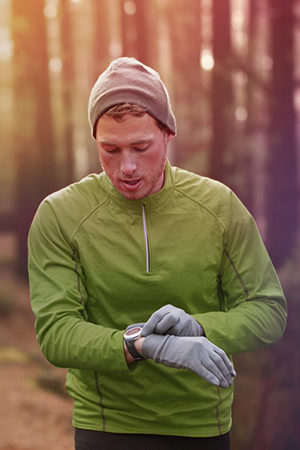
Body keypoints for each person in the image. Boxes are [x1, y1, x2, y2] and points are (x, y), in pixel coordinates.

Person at [28, 57, 287, 450]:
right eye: (110, 149)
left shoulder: (218, 206)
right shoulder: (61, 214)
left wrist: (199, 328)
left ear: (168, 133)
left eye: (141, 146)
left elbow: (269, 311)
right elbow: (56, 332)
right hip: (106, 425)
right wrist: (141, 344)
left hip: (202, 427)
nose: (126, 167)